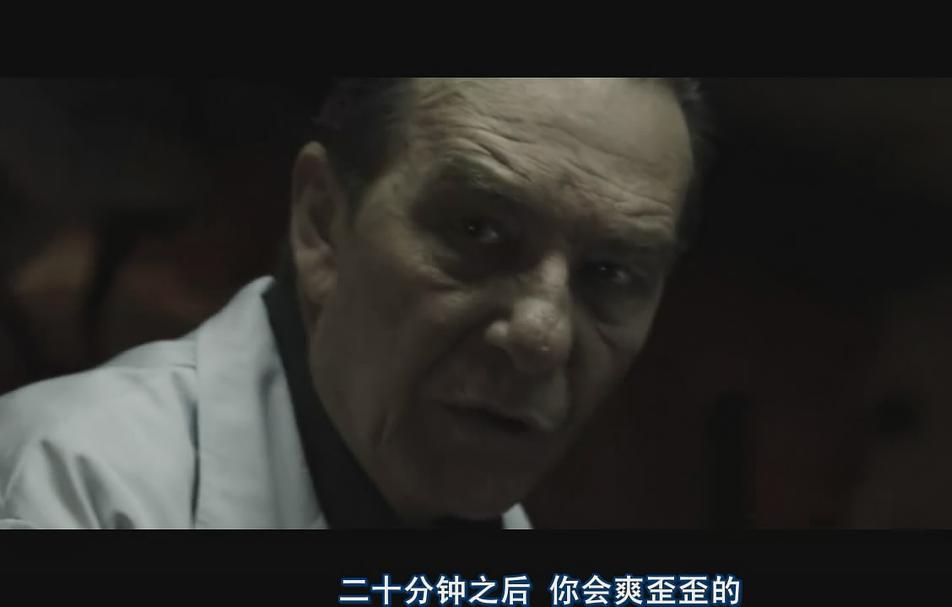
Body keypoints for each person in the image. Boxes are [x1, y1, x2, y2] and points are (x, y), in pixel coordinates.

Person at [0, 78, 711, 529]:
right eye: (478, 231)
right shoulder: (71, 488)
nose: (542, 336)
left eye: (611, 272)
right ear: (322, 224)